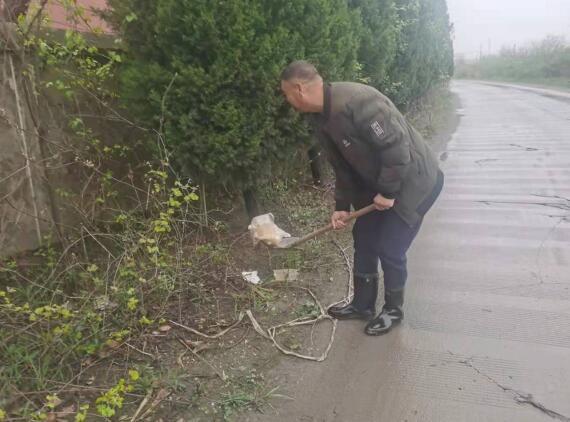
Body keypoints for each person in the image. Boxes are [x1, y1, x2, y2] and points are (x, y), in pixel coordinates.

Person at [280, 60, 444, 336]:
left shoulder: (360, 102)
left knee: (390, 247)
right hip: (381, 184)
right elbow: (342, 166)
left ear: (299, 89)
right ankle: (362, 305)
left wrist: (388, 193)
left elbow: (396, 149)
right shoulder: (321, 117)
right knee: (364, 238)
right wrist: (342, 206)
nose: (287, 100)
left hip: (415, 182)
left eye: (286, 94)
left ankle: (393, 310)